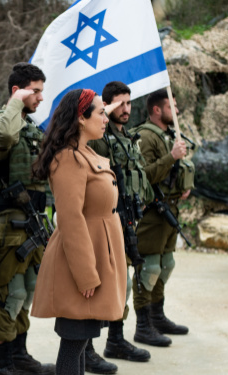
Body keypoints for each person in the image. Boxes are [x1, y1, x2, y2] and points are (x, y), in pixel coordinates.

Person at [30, 88, 128, 375]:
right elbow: (71, 219)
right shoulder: (69, 159)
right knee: (74, 342)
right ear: (81, 119)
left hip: (98, 255)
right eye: (100, 112)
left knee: (82, 341)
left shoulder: (85, 152)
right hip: (83, 262)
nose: (106, 118)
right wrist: (86, 273)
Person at [0, 62, 55, 375]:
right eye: (34, 91)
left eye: (41, 90)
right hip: (11, 222)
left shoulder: (31, 127)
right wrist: (14, 104)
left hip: (35, 221)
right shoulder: (2, 122)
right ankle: (2, 363)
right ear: (17, 91)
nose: (40, 97)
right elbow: (0, 141)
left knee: (27, 290)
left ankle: (19, 353)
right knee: (10, 293)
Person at [85, 81, 154, 372]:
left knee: (121, 284)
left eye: (129, 103)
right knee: (95, 285)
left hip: (127, 219)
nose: (126, 109)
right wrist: (102, 112)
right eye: (118, 104)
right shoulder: (100, 137)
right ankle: (85, 348)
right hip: (103, 220)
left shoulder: (128, 137)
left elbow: (138, 177)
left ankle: (115, 339)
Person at [129, 88, 192, 348]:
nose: (176, 111)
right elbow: (145, 176)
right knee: (149, 268)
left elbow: (171, 171)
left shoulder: (168, 135)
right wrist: (172, 156)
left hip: (170, 210)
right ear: (157, 109)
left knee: (166, 265)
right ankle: (143, 326)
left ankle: (157, 316)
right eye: (171, 106)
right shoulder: (146, 136)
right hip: (153, 213)